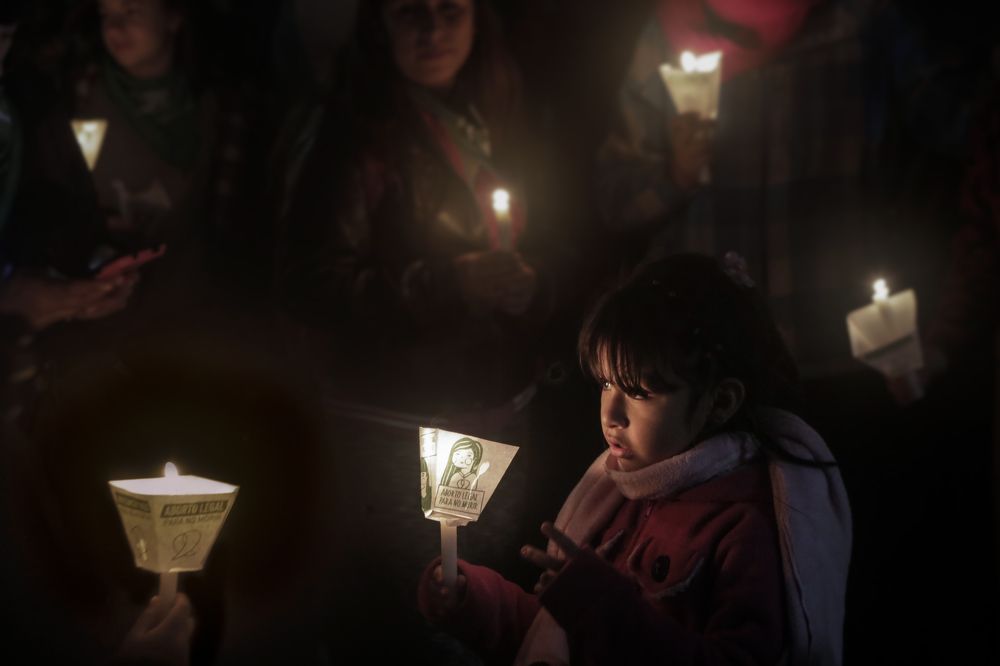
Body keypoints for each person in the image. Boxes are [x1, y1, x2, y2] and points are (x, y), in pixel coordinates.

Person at [418, 253, 852, 665]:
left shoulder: (742, 526)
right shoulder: (616, 496)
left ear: (720, 402)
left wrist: (603, 610)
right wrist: (475, 598)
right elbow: (553, 637)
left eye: (640, 392)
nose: (611, 415)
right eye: (606, 384)